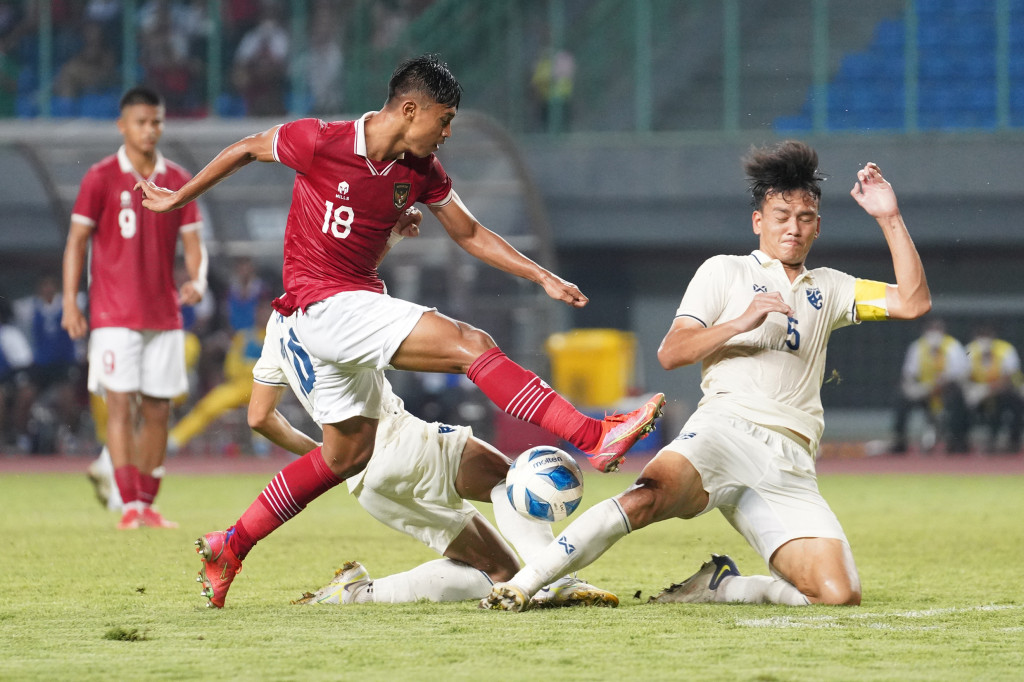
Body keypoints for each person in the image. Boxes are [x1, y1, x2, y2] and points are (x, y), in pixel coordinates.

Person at [137, 54, 664, 608]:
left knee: (346, 455)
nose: (448, 132)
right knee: (472, 346)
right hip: (326, 307)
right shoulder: (319, 140)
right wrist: (178, 198)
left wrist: (540, 274)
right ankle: (591, 434)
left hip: (332, 327)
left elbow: (469, 231)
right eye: (444, 118)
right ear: (411, 109)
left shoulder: (421, 171)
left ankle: (232, 545)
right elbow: (246, 147)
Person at [481, 141, 933, 612]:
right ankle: (527, 582)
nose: (792, 228)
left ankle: (721, 586)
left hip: (790, 461)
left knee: (838, 595)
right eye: (781, 216)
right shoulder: (724, 272)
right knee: (647, 497)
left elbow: (913, 302)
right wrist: (741, 322)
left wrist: (888, 217)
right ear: (758, 221)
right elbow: (672, 352)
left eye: (804, 217)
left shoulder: (832, 287)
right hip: (724, 429)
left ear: (817, 225)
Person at [250, 288, 617, 609]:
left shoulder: (276, 330)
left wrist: (330, 458)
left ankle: (358, 594)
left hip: (364, 481)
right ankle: (555, 580)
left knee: (501, 572)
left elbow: (260, 418)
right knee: (509, 479)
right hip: (399, 440)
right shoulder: (335, 308)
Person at [63, 86, 208, 530]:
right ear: (122, 125)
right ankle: (129, 507)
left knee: (159, 410)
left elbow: (194, 246)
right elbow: (77, 242)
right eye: (142, 121)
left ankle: (148, 503)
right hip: (112, 314)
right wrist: (71, 301)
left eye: (157, 121)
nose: (150, 129)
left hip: (163, 313)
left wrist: (197, 281)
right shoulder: (101, 176)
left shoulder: (180, 176)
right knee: (122, 406)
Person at [891, 318, 970, 454]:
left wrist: (939, 386)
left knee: (958, 399)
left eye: (937, 329)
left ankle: (956, 442)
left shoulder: (953, 346)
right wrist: (913, 389)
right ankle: (900, 441)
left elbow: (960, 374)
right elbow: (909, 374)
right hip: (924, 391)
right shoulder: (917, 347)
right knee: (902, 398)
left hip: (946, 391)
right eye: (931, 329)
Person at [964, 324, 1023, 453]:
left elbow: (1009, 379)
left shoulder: (1006, 350)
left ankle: (1013, 442)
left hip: (1004, 393)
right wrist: (974, 391)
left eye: (987, 336)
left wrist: (989, 390)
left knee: (1011, 404)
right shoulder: (970, 350)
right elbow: (964, 376)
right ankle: (962, 442)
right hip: (978, 393)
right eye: (981, 336)